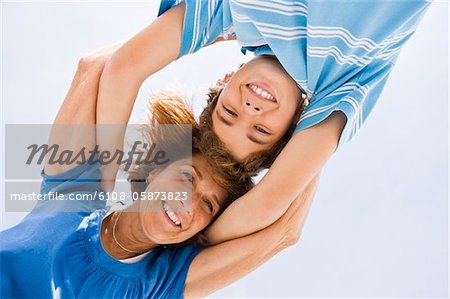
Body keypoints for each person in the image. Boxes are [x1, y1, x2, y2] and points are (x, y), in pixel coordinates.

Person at [91, 0, 431, 244]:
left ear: (226, 80)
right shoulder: (342, 86)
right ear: (297, 127)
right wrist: (196, 232)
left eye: (230, 114)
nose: (251, 110)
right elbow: (268, 202)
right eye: (261, 131)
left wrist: (103, 183)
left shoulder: (231, 13)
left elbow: (122, 68)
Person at [0, 49, 318, 298]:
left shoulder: (160, 283)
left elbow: (284, 232)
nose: (189, 204)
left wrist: (321, 109)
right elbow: (93, 67)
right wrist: (209, 28)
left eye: (208, 205)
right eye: (187, 178)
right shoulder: (73, 193)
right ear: (154, 171)